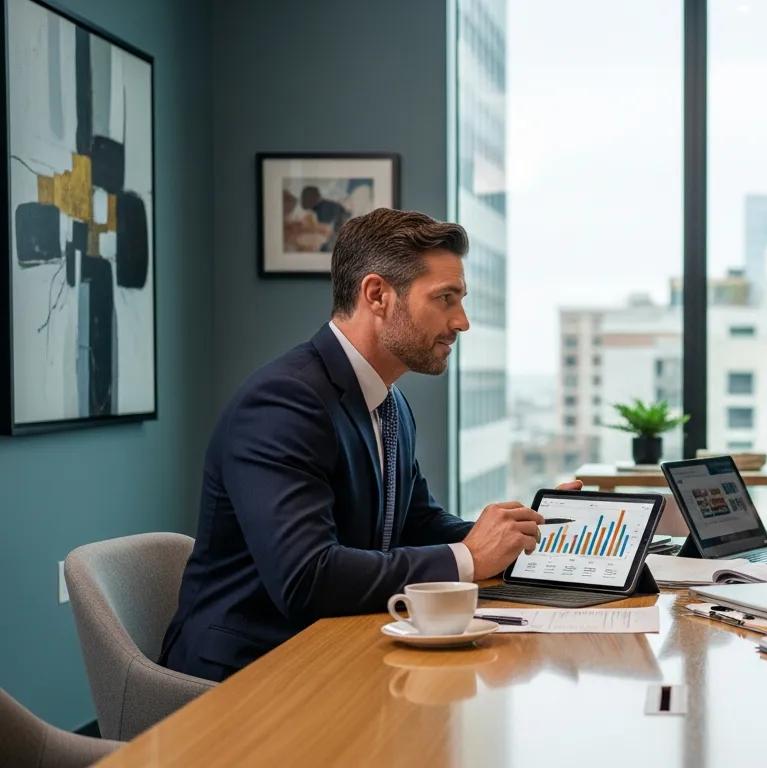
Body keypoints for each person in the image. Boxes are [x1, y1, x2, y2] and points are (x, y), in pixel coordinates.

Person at [161, 208, 577, 681]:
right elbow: (308, 578)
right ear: (377, 295)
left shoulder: (389, 402)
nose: (461, 322)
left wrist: (518, 536)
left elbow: (416, 523)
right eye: (445, 299)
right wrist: (471, 557)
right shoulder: (283, 403)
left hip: (333, 653)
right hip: (245, 677)